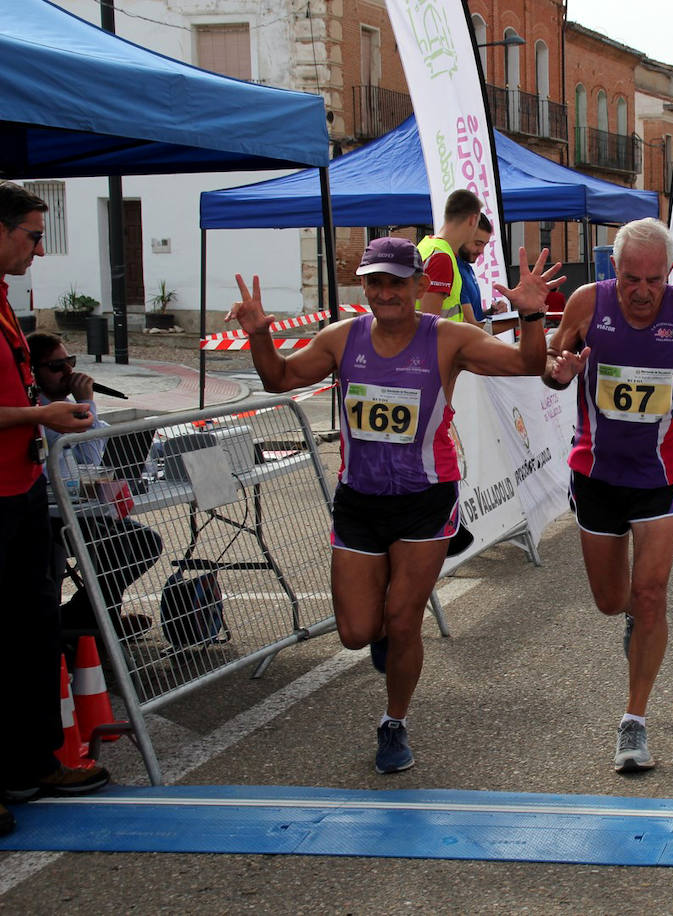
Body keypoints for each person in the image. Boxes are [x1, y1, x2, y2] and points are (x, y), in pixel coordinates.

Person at [228, 236, 584, 775]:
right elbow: (279, 377)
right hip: (360, 502)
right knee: (354, 631)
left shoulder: (448, 339)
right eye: (376, 282)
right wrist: (259, 336)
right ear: (364, 286)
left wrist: (531, 314)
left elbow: (526, 365)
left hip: (425, 498)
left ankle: (393, 722)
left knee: (403, 617)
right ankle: (382, 639)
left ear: (419, 286)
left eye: (398, 282)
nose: (387, 292)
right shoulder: (341, 339)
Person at [542, 218, 673, 773]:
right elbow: (551, 367)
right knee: (611, 599)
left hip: (660, 474)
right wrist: (562, 369)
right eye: (631, 279)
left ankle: (634, 722)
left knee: (651, 595)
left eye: (653, 278)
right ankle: (629, 616)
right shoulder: (585, 303)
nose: (642, 290)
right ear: (613, 271)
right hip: (595, 473)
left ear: (669, 273)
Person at [0, 181, 109, 824]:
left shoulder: (8, 302)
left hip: (22, 490)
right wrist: (41, 412)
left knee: (30, 630)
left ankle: (31, 761)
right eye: (34, 236)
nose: (40, 250)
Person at [27, 332, 163, 639]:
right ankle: (101, 624)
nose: (68, 373)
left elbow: (93, 458)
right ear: (34, 371)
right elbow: (63, 441)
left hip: (81, 507)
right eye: (57, 366)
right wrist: (85, 404)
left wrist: (86, 405)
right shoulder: (40, 411)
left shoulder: (71, 408)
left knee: (146, 542)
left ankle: (86, 617)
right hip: (50, 511)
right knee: (116, 545)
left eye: (70, 363)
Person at [417, 189, 484, 324]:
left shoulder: (427, 245)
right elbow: (428, 326)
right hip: (440, 344)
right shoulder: (441, 257)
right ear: (473, 219)